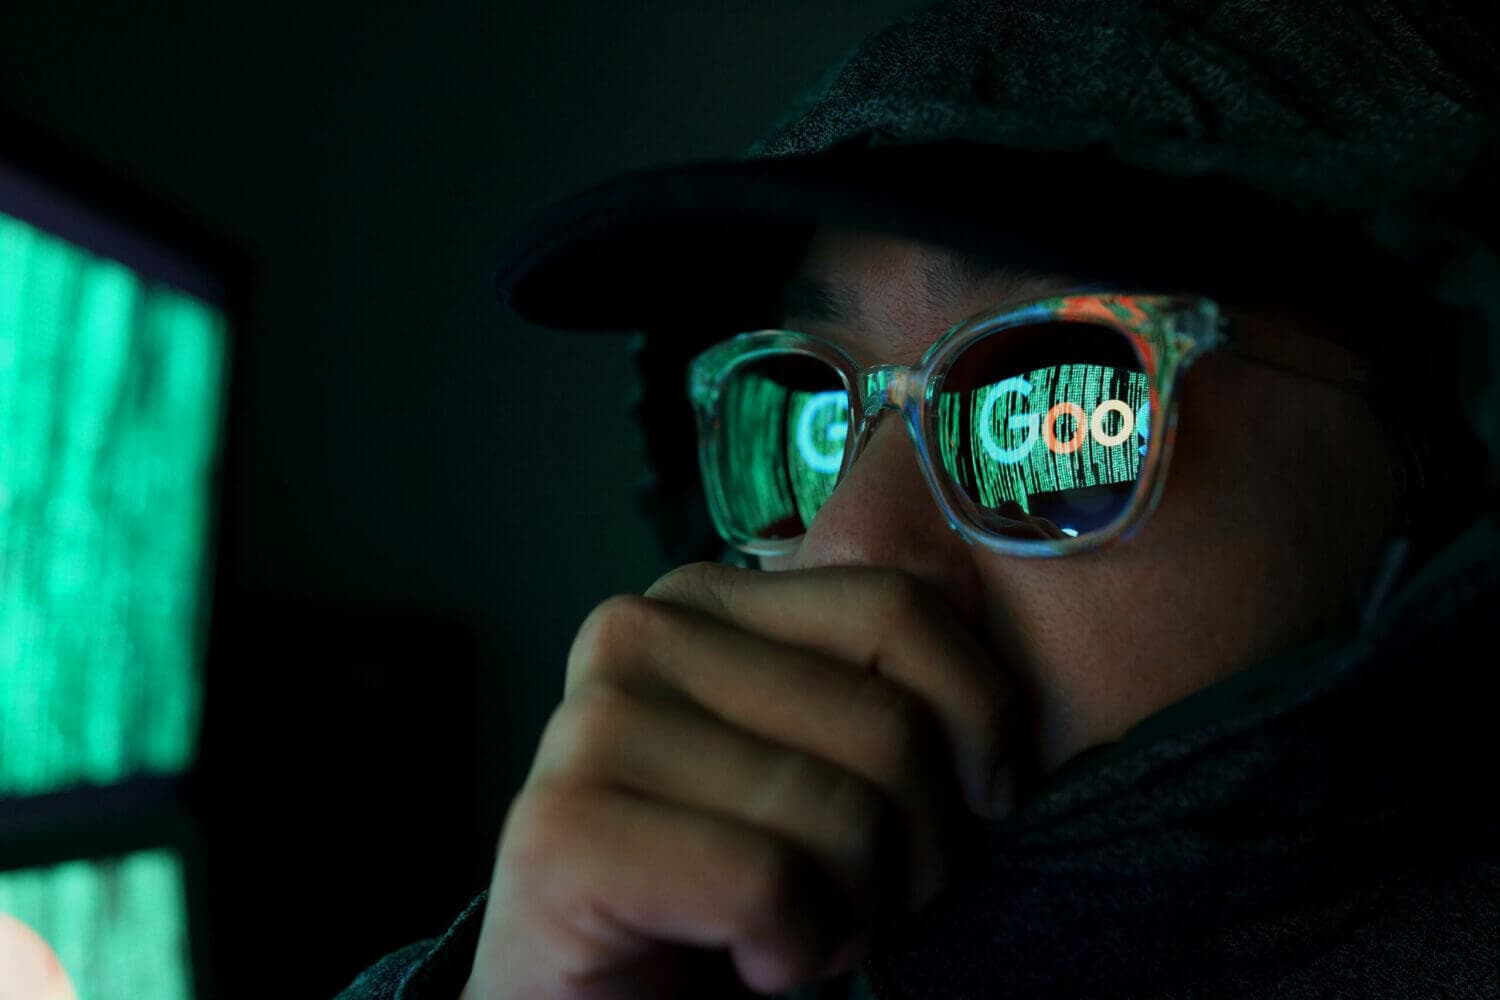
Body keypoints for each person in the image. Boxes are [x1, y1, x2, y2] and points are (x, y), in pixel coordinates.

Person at [338, 1, 1500, 997]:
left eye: (1051, 394)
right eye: (809, 404)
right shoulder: (593, 956)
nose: (846, 544)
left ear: (1443, 455)